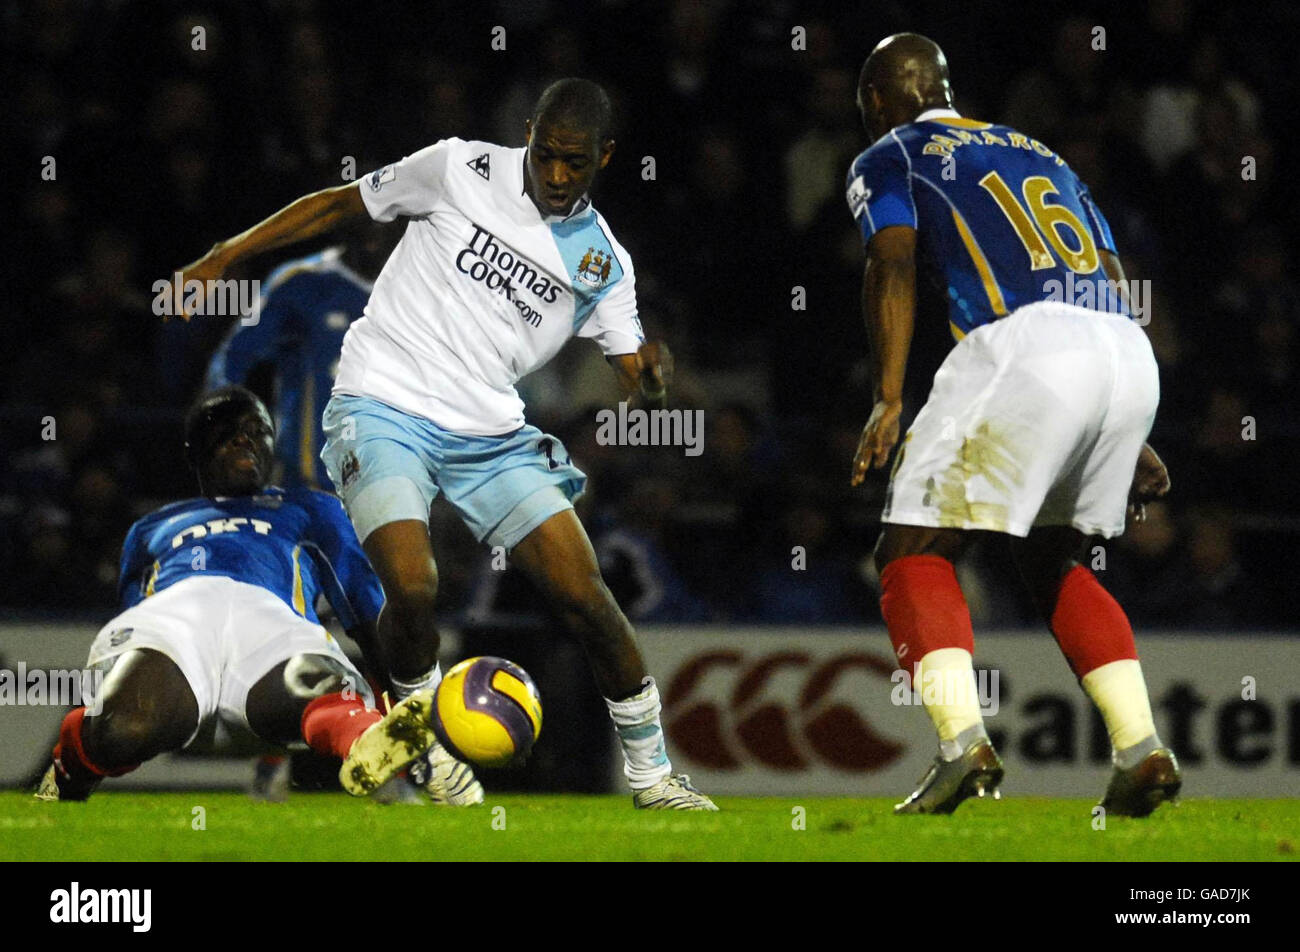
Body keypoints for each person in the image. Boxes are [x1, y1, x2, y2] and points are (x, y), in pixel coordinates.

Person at [177, 78, 716, 810]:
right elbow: (341, 203)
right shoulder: (457, 167)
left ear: (605, 158)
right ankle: (429, 753)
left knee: (587, 598)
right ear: (527, 134)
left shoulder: (602, 262)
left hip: (492, 434)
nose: (557, 177)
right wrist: (229, 252)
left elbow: (634, 374)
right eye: (546, 156)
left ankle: (654, 776)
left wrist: (652, 381)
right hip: (382, 404)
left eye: (575, 164)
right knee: (414, 586)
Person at [845, 34, 1179, 816]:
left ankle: (963, 746)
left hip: (1025, 345)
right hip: (1124, 348)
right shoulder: (1039, 151)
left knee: (911, 545)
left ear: (876, 102)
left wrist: (889, 397)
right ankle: (1141, 750)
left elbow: (890, 260)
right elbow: (1110, 271)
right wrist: (1127, 420)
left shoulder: (893, 150)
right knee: (1049, 555)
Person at [37, 386, 444, 803]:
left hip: (271, 624)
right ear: (195, 449)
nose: (244, 437)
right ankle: (71, 763)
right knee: (122, 729)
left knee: (314, 683)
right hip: (178, 619)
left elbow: (365, 613)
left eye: (257, 429)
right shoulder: (150, 528)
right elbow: (136, 618)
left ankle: (367, 742)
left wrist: (405, 705)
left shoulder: (311, 509)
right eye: (227, 429)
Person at [206, 224, 399, 489]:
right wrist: (222, 427)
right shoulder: (300, 283)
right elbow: (232, 357)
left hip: (395, 487)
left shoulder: (426, 288)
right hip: (307, 484)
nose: (375, 223)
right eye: (363, 213)